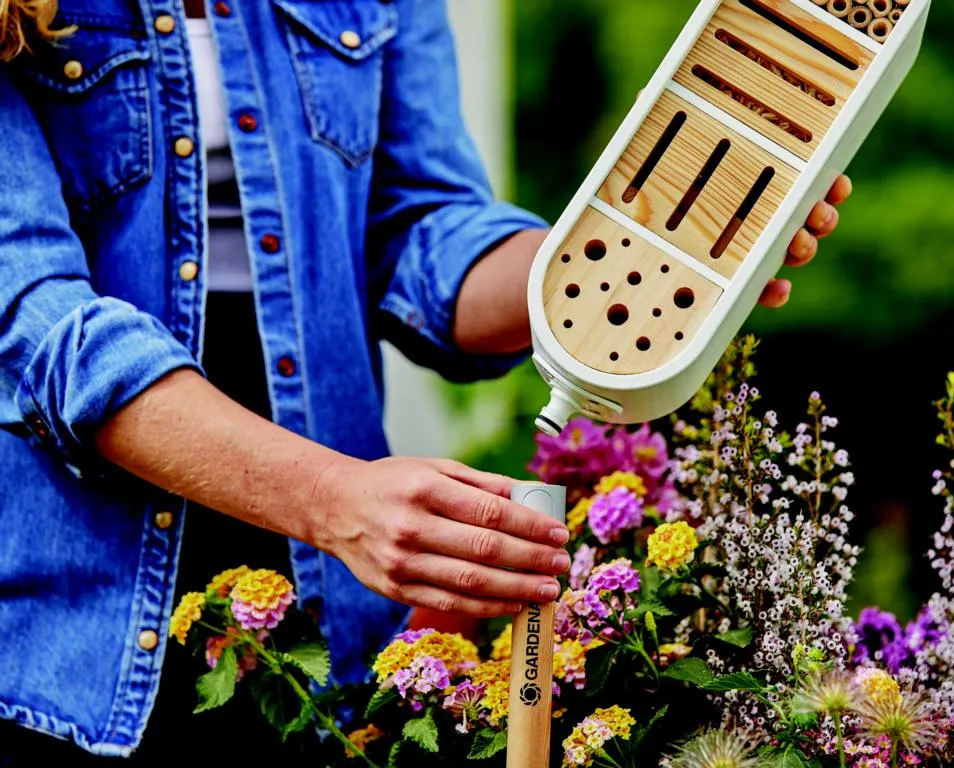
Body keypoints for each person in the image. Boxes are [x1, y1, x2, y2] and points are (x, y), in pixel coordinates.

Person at [0, 0, 852, 763]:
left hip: (328, 618)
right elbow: (37, 323)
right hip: (67, 643)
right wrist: (338, 502)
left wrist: (621, 256)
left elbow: (421, 226)